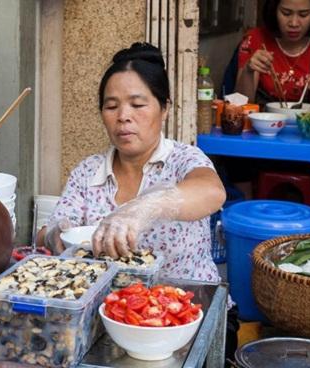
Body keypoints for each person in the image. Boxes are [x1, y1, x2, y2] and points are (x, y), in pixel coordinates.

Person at [39, 42, 238, 364]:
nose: (123, 117)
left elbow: (211, 192)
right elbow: (54, 232)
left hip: (184, 319)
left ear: (165, 108)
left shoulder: (184, 160)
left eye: (137, 104)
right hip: (108, 321)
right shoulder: (89, 171)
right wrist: (56, 235)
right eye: (111, 106)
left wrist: (146, 207)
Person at [236, 0, 310, 119]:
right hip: (264, 129)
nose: (294, 23)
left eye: (303, 14)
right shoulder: (255, 39)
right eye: (286, 13)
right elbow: (239, 105)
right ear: (274, 11)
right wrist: (248, 70)